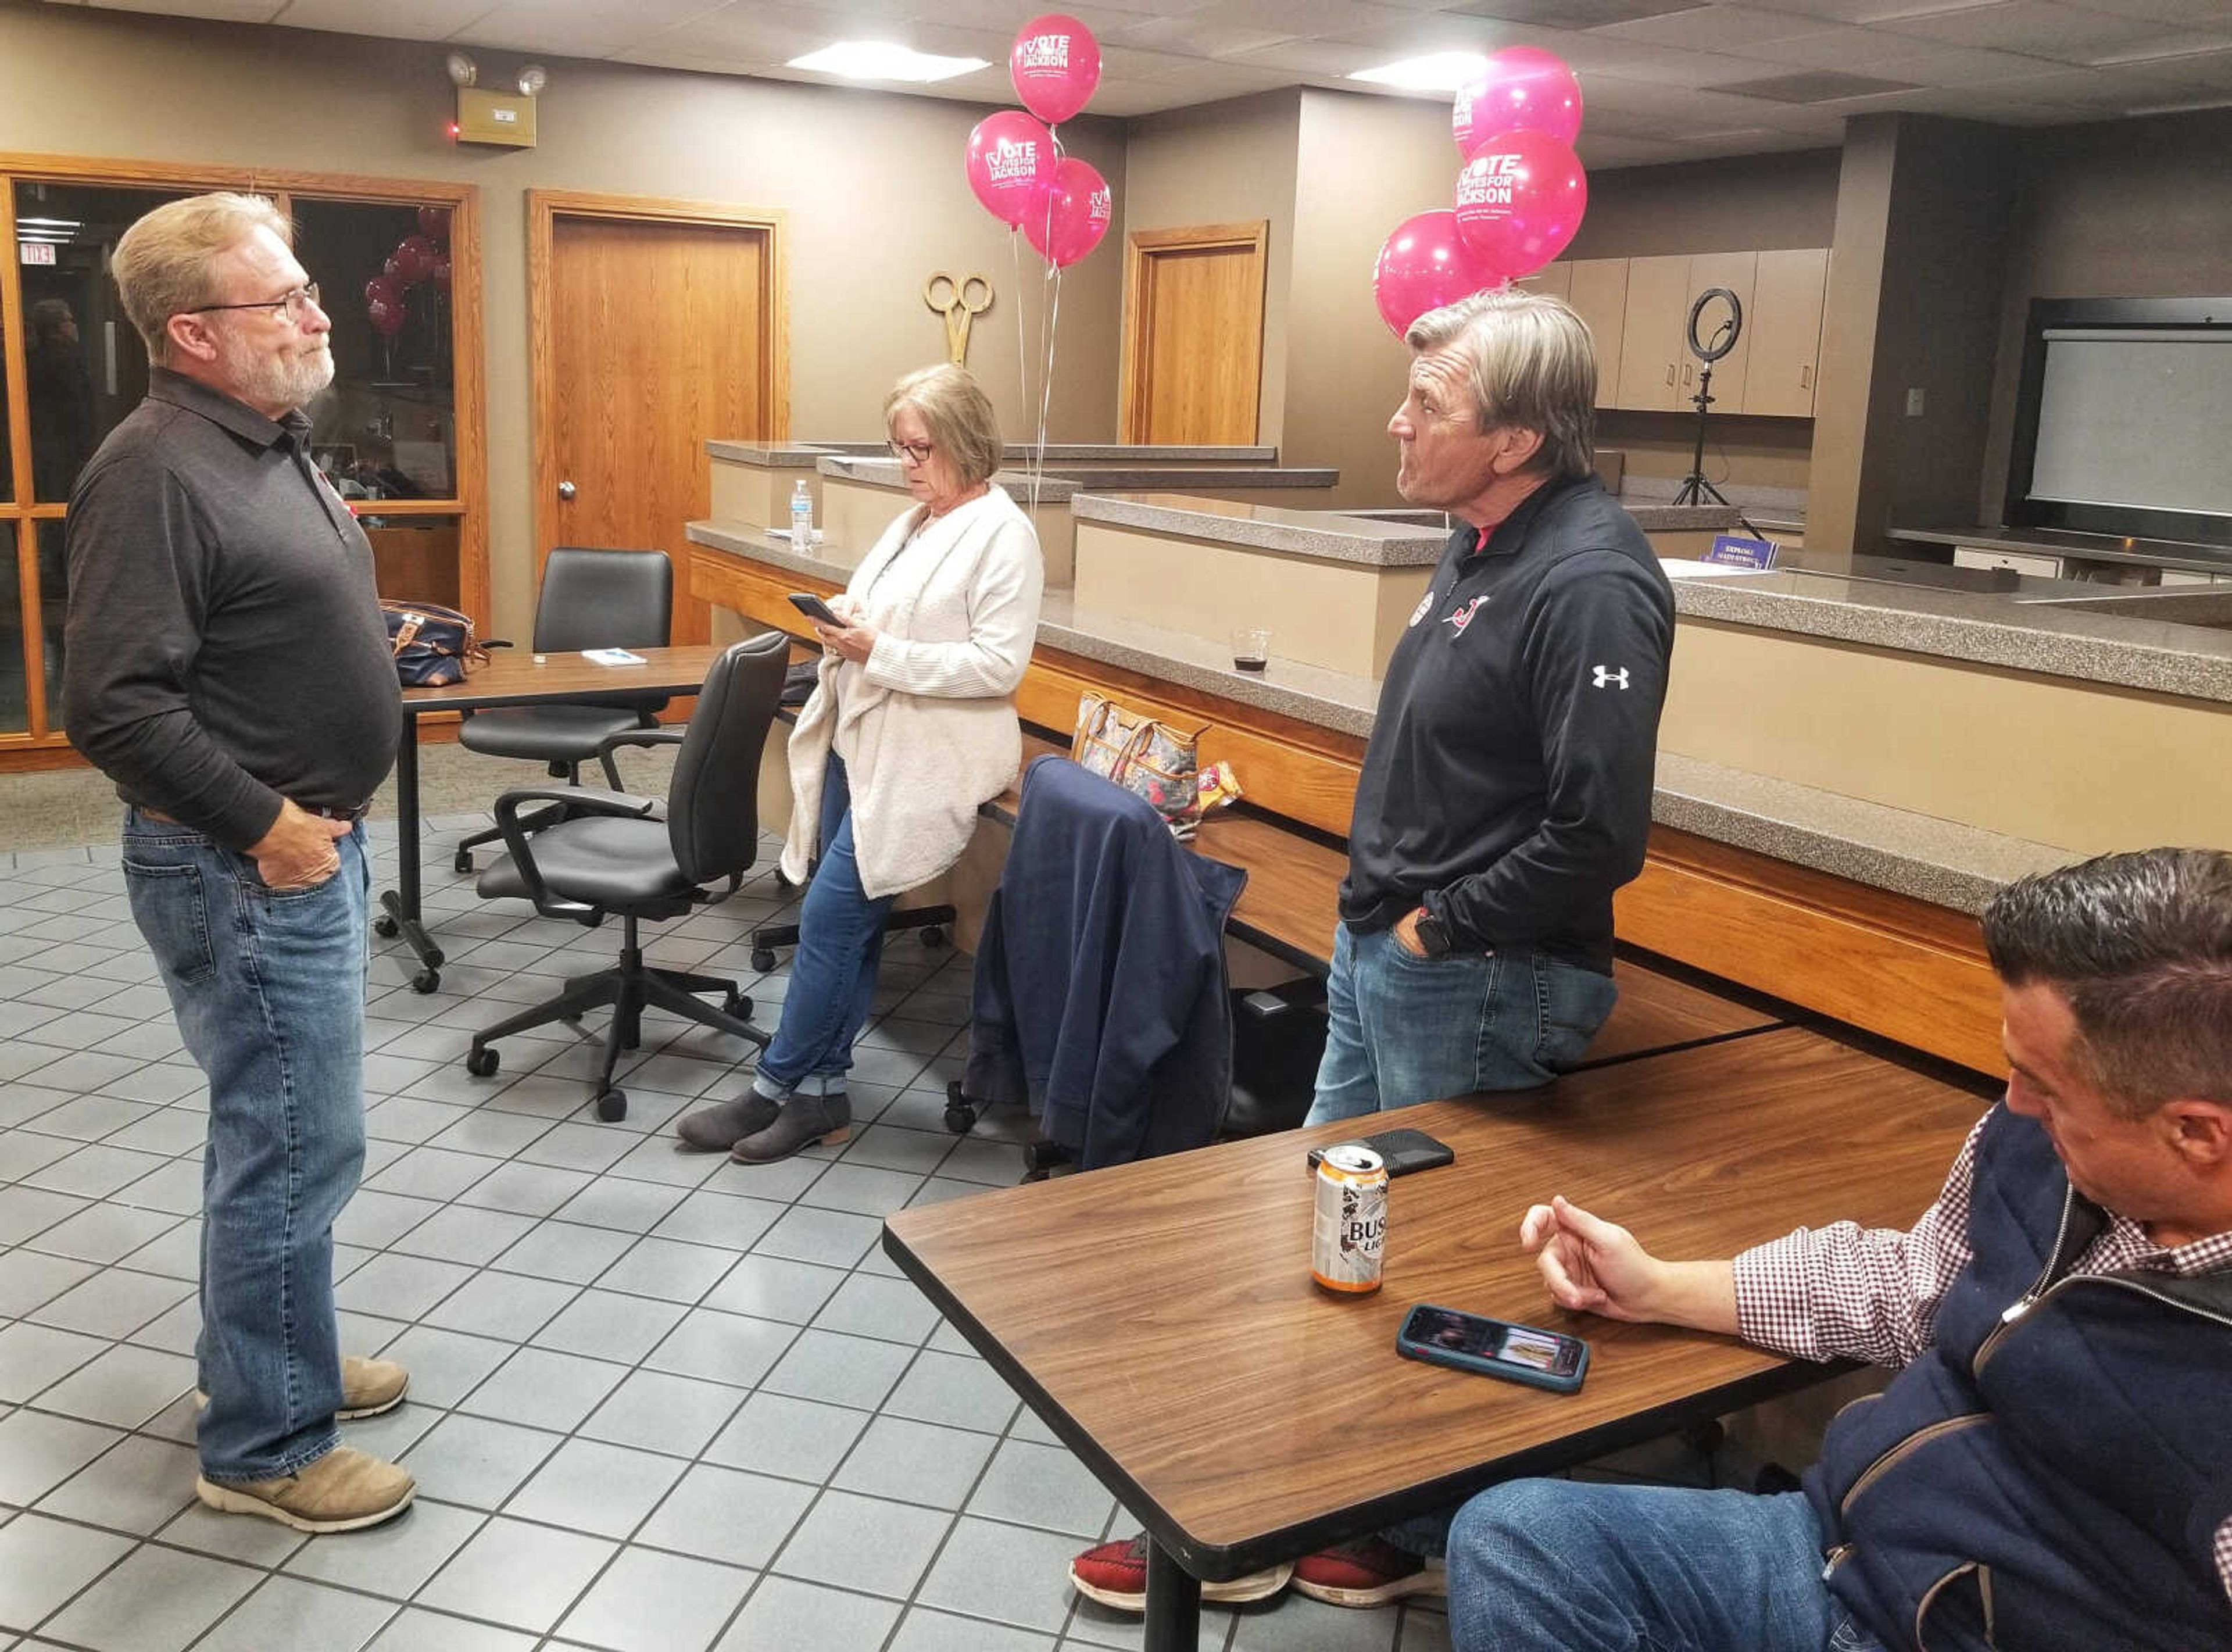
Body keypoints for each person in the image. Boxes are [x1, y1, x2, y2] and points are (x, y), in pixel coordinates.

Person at [1070, 285, 1677, 1617]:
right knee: (1327, 1229)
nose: (1395, 425)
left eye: (1430, 405)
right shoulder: (1477, 543)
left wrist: (1437, 923)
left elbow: (1600, 833)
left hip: (1471, 974)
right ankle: (1291, 1492)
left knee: (1440, 1255)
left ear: (1516, 439)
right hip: (1386, 953)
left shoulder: (1590, 580)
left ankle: (1410, 1520)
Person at [1448, 846, 2232, 1652]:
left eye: (2046, 1084)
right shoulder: (2040, 1141)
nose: (2012, 1102)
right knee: (1517, 1537)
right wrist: (1651, 1286)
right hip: (1835, 1546)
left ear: (2198, 1132)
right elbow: (1913, 1283)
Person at [63, 193, 412, 1533]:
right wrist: (269, 827)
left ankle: (287, 1363)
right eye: (287, 301)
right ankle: (266, 1442)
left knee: (299, 1134)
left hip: (304, 848)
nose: (319, 314)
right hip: (247, 866)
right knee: (289, 1142)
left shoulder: (262, 440)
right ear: (195, 332)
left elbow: (243, 620)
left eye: (311, 288)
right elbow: (116, 706)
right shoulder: (154, 467)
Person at [677, 363, 1044, 1163]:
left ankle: (772, 1087)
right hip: (866, 735)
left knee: (831, 915)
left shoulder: (1005, 536)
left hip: (933, 754)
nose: (908, 463)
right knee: (856, 922)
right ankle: (821, 1096)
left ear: (967, 443)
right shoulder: (915, 521)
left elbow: (997, 667)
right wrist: (848, 621)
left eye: (922, 447)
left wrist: (883, 650)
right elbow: (882, 603)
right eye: (899, 447)